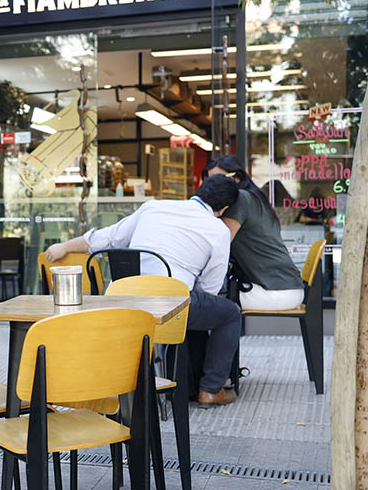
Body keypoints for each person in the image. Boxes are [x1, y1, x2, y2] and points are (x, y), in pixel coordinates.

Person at [44, 174, 241, 406]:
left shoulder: (153, 207)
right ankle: (211, 389)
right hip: (171, 308)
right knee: (230, 313)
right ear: (223, 209)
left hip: (125, 303)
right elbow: (210, 288)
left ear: (199, 190)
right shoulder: (218, 231)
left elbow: (108, 238)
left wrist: (63, 246)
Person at [201, 156, 304, 311]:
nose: (212, 186)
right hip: (286, 288)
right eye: (208, 181)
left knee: (202, 299)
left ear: (236, 177)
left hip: (276, 292)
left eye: (219, 179)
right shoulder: (254, 197)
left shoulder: (240, 199)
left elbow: (219, 243)